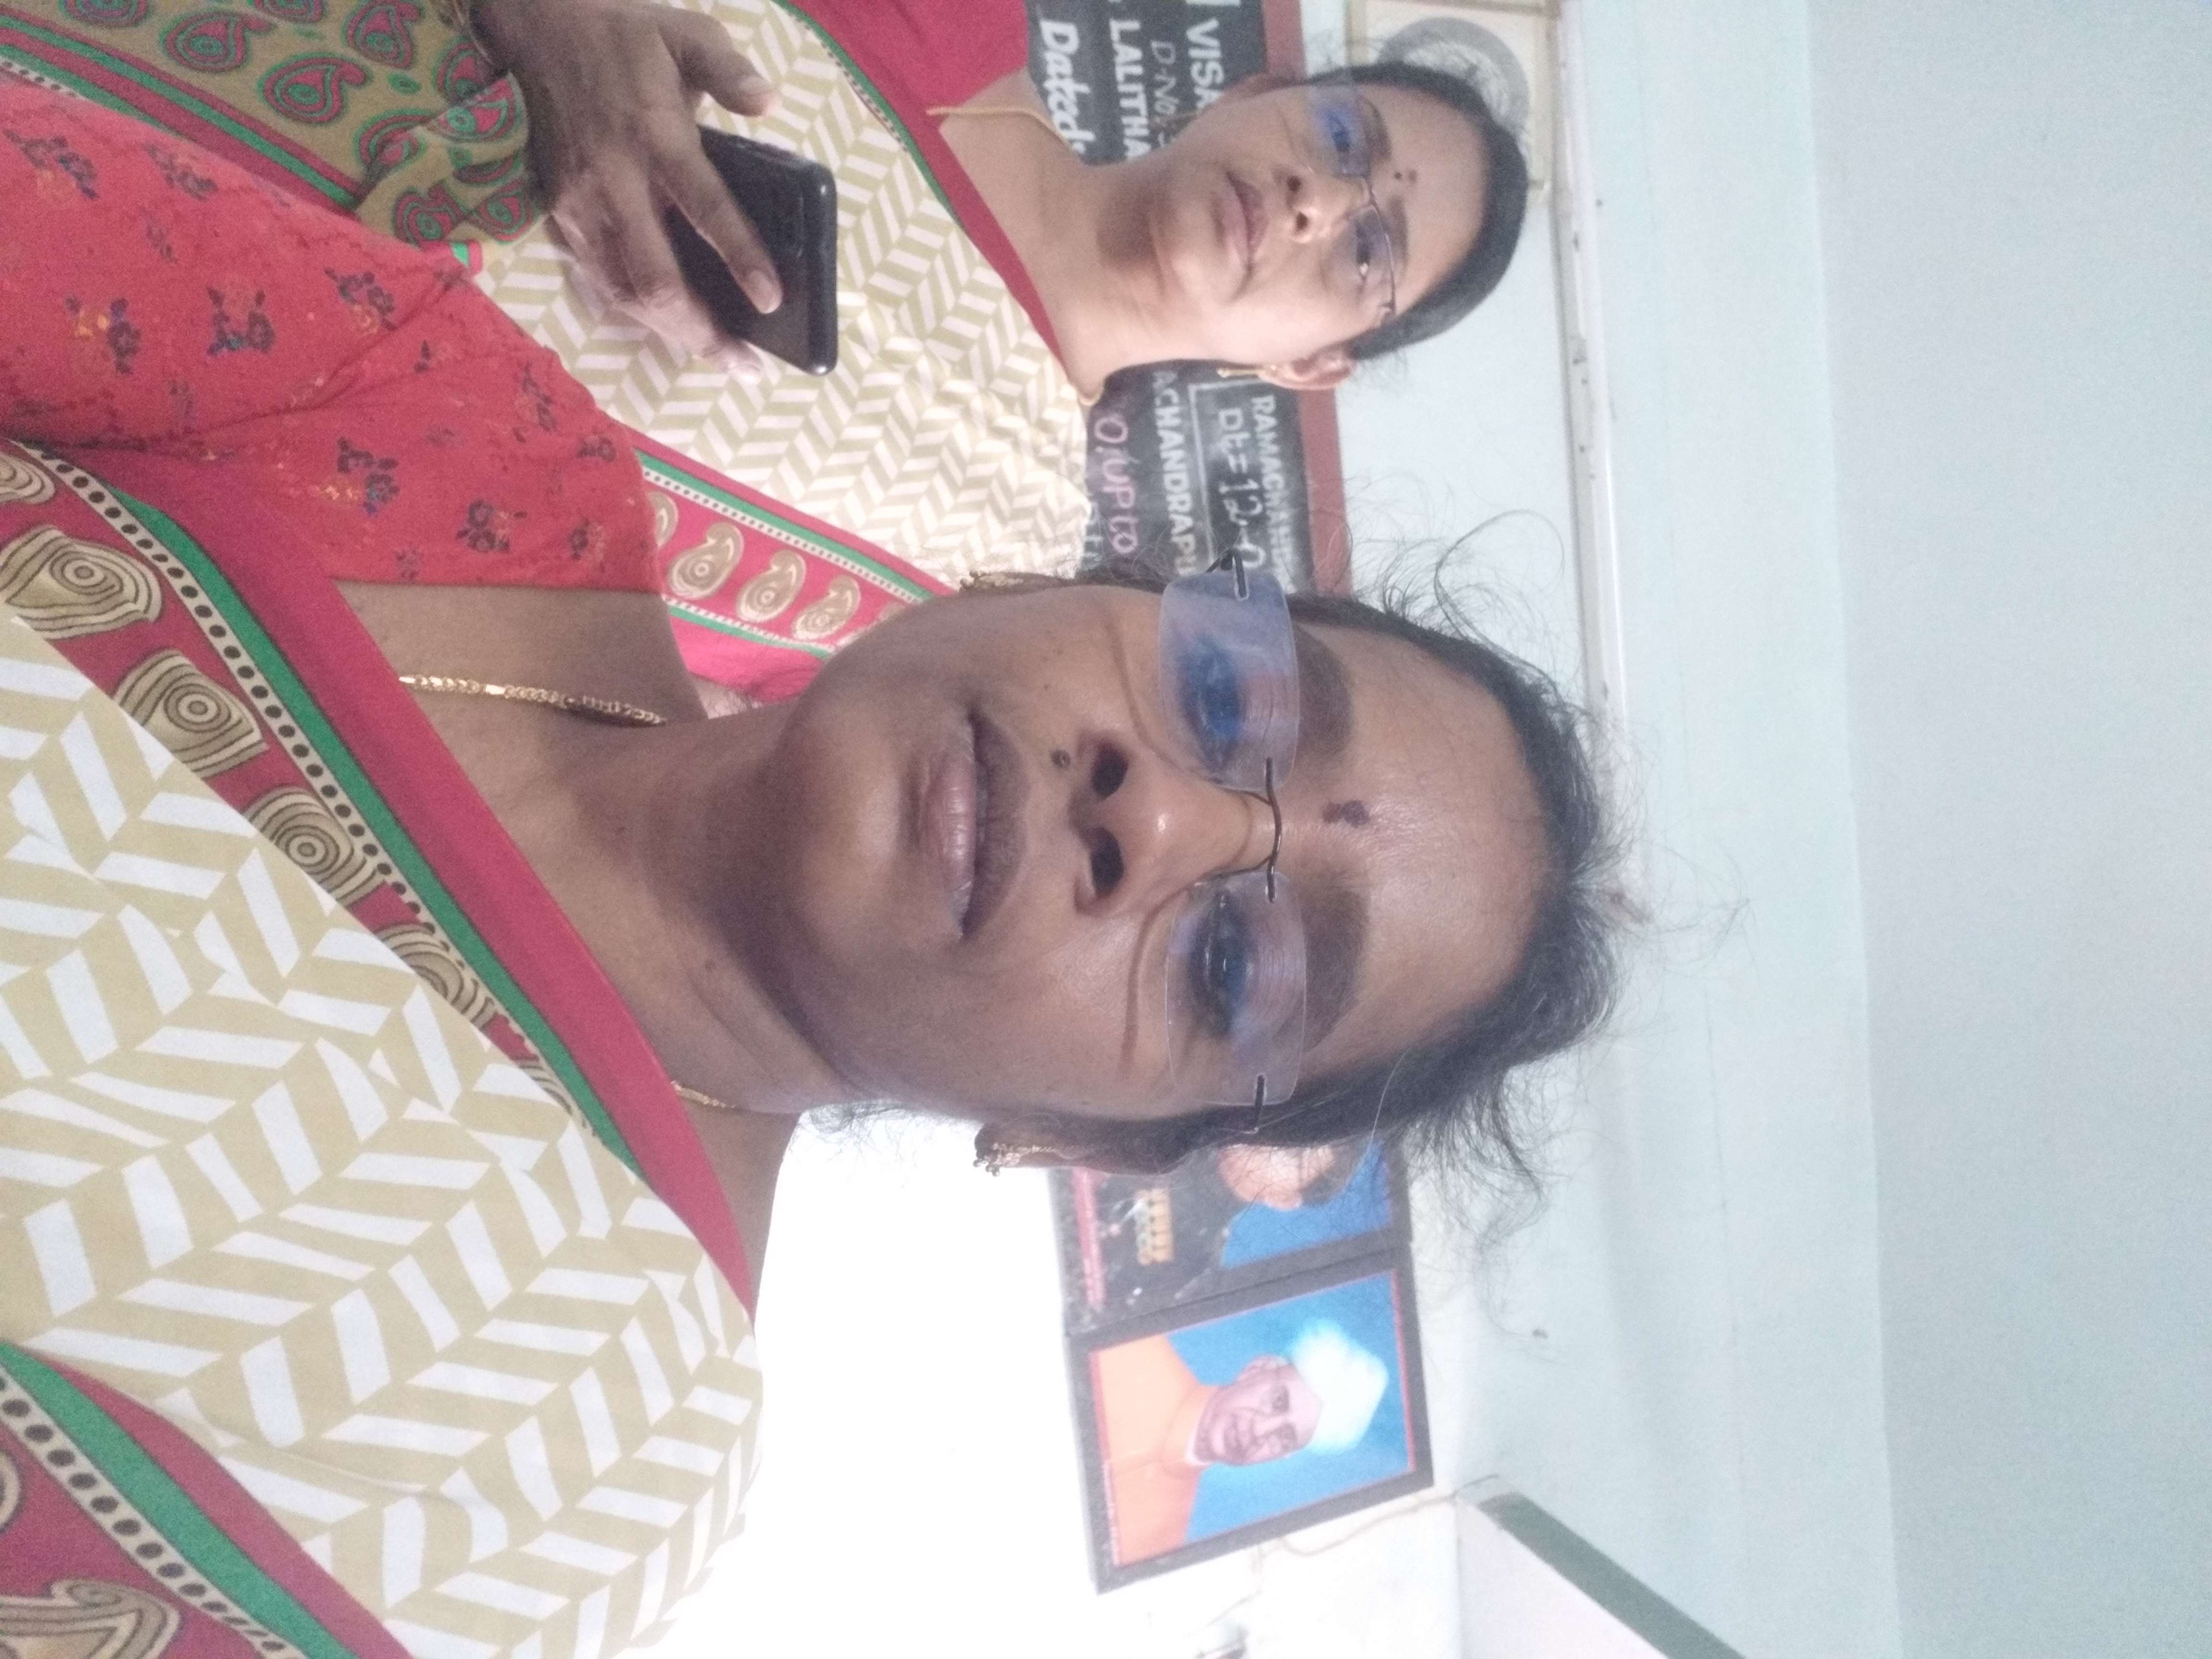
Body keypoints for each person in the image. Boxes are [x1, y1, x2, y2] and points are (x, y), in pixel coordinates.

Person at [0, 88, 1609, 1656]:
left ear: (1085, 1142)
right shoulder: (467, 441)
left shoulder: (561, 1462)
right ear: (1035, 586)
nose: (1163, 823)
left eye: (1233, 967)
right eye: (1225, 697)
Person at [0, 0, 1532, 701]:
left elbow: (604, 729)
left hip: (135, 531)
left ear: (1312, 368)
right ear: (1263, 91)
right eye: (1348, 140)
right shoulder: (948, 19)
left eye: (1370, 251)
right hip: (145, 78)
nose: (1322, 202)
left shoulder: (992, 588)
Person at [1093, 1320, 1389, 1564]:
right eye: (1277, 1401)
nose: (1260, 1430)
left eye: (1285, 1438)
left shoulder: (1166, 1536)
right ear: (1256, 1369)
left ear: (1282, 1457)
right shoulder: (1129, 1352)